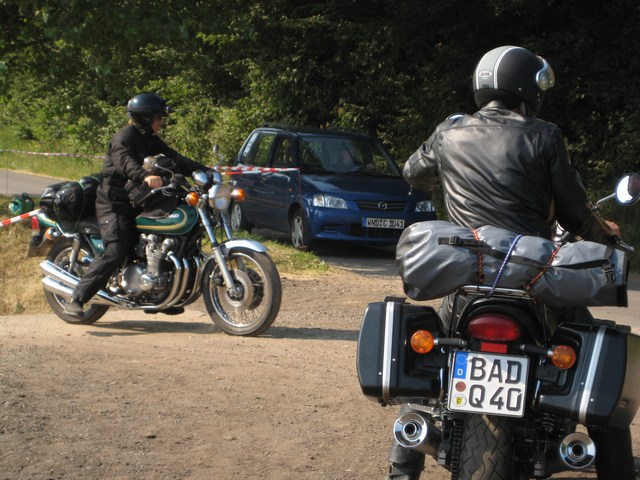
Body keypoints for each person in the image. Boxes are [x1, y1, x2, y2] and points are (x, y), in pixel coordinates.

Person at [388, 46, 635, 480]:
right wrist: (609, 239)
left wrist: (446, 165)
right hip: (531, 278)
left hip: (469, 281)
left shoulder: (449, 132)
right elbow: (574, 211)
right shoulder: (544, 135)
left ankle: (401, 468)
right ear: (528, 88)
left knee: (431, 364)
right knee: (600, 361)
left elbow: (412, 172)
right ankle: (617, 470)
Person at [64, 92, 206, 318]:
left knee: (162, 239)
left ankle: (160, 293)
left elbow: (175, 158)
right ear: (146, 118)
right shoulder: (123, 138)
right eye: (158, 118)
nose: (161, 123)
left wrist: (205, 171)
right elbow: (125, 163)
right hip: (114, 202)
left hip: (137, 199)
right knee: (116, 250)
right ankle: (77, 299)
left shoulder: (150, 139)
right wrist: (145, 176)